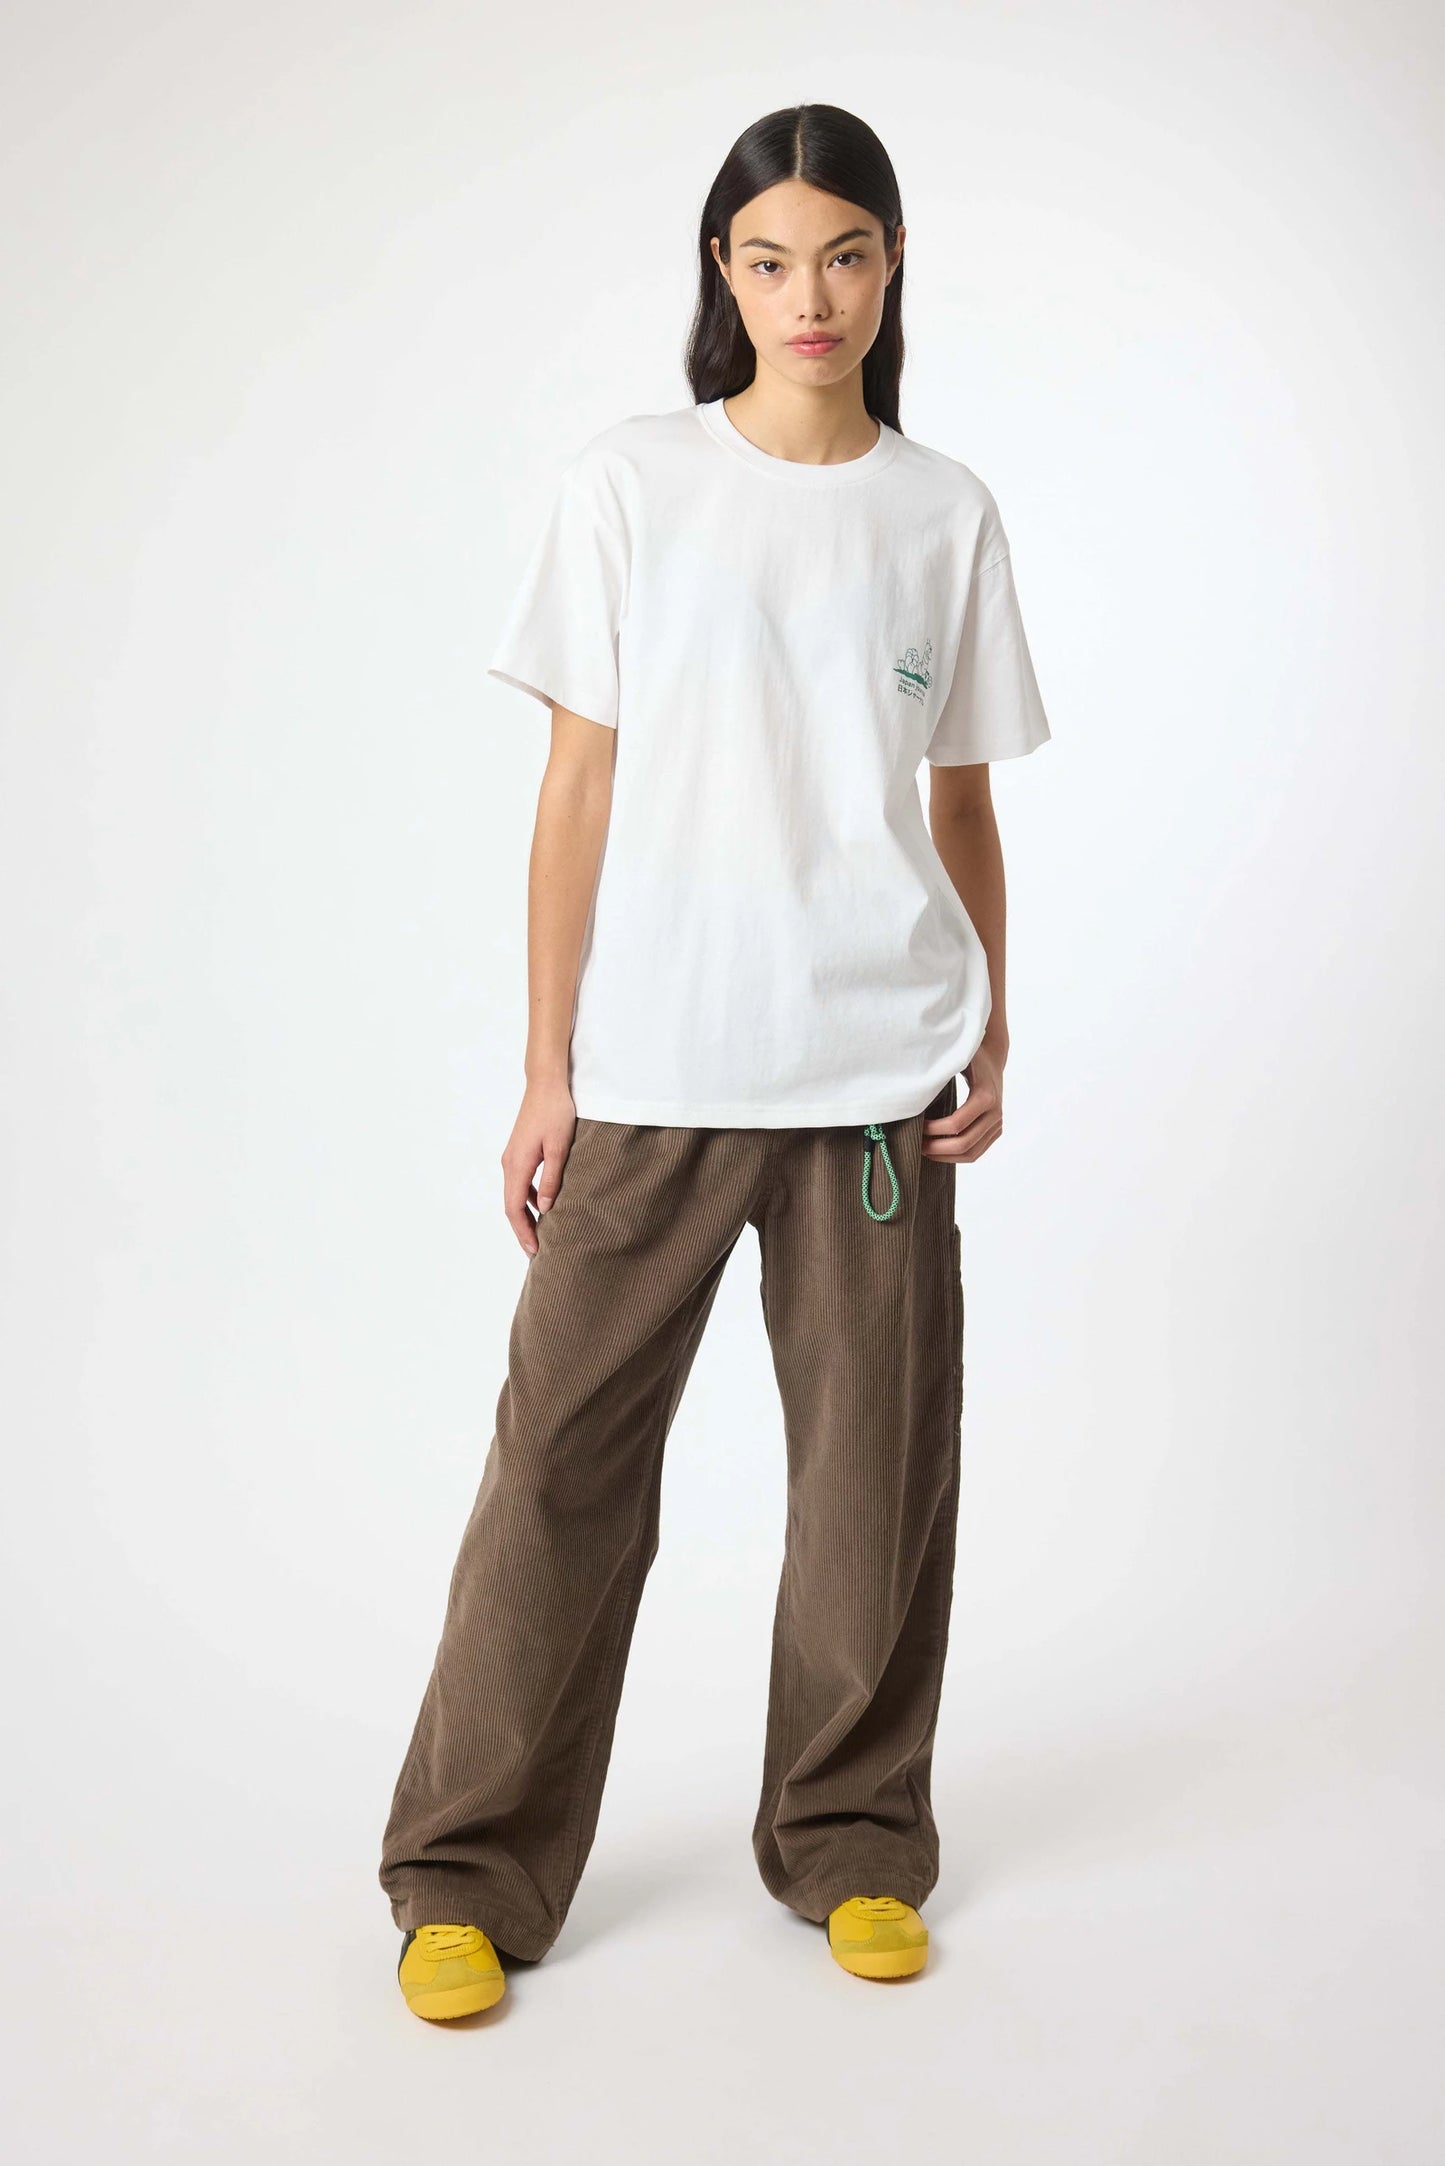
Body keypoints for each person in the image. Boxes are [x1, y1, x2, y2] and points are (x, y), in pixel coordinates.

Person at [380, 99, 1051, 2021]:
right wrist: (546, 1067)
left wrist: (993, 1015)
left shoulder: (942, 511)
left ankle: (852, 1838)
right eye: (767, 260)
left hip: (874, 1082)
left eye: (841, 255)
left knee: (871, 1486)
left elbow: (962, 802)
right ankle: (465, 1871)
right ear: (722, 275)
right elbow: (575, 786)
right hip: (657, 1067)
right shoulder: (630, 482)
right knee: (557, 1474)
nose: (805, 294)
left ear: (891, 267)